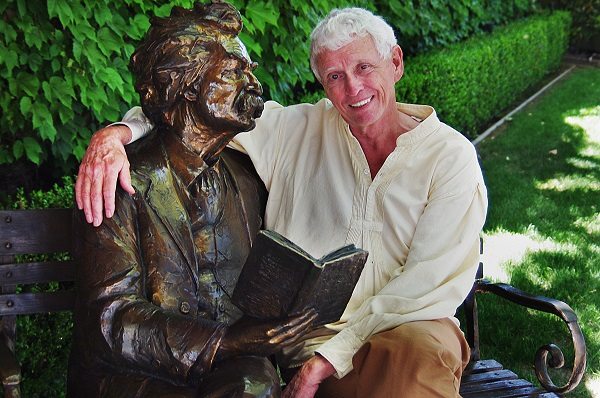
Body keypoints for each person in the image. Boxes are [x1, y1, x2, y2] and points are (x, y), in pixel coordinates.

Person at [76, 6, 488, 398]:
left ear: (395, 62)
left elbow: (426, 286)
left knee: (417, 359)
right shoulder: (295, 131)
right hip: (305, 346)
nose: (354, 88)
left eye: (364, 67)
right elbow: (180, 108)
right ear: (323, 86)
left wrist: (325, 362)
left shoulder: (449, 158)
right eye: (335, 76)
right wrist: (116, 134)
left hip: (404, 333)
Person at [68, 3, 316, 397]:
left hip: (231, 370)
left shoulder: (246, 178)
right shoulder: (118, 179)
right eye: (235, 72)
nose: (254, 85)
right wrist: (226, 341)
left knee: (254, 386)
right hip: (136, 376)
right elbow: (110, 318)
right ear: (186, 85)